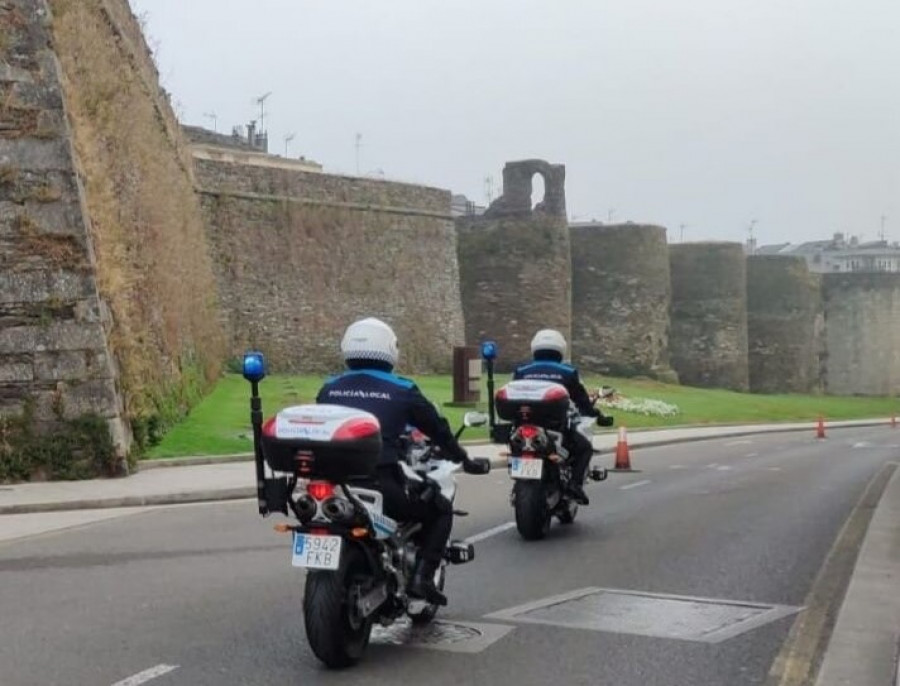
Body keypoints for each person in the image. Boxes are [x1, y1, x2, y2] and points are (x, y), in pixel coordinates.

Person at [316, 317, 472, 606]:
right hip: (379, 483)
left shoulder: (329, 387)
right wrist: (460, 456)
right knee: (439, 510)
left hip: (332, 483)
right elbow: (436, 428)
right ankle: (422, 578)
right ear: (390, 349)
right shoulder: (402, 389)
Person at [512, 329, 611, 505]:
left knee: (516, 448)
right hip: (555, 427)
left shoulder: (521, 371)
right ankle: (575, 485)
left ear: (535, 348)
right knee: (584, 448)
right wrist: (597, 414)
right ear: (560, 349)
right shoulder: (568, 372)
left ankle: (518, 481)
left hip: (523, 426)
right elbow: (582, 402)